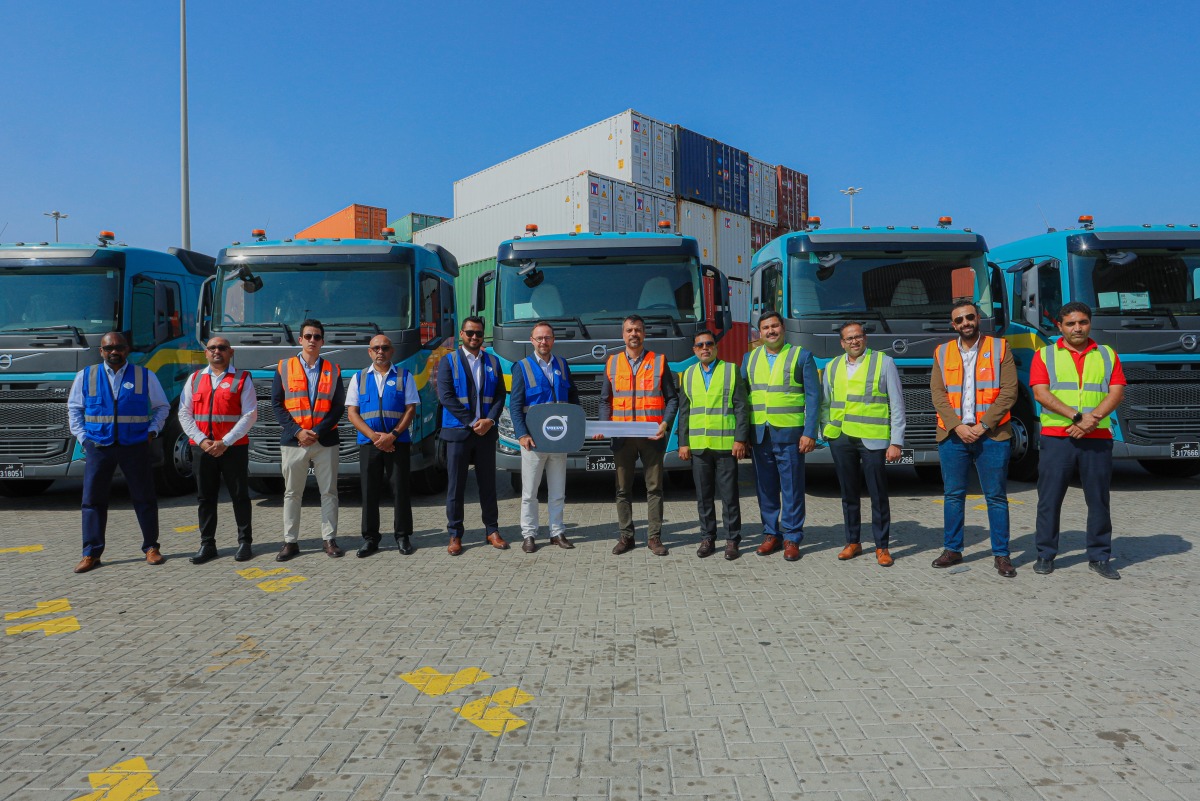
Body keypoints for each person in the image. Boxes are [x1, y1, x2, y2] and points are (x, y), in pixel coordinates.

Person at [1030, 302, 1126, 579]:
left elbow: (1116, 392)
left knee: (1098, 499)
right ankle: (1045, 555)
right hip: (1057, 438)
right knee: (1049, 499)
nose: (1077, 328)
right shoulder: (1045, 355)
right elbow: (1041, 393)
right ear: (1059, 326)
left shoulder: (1107, 354)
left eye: (1082, 322)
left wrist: (1091, 419)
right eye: (1070, 323)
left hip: (1097, 438)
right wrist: (1076, 418)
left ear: (1089, 323)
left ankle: (1099, 556)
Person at [929, 301, 1020, 577]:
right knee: (953, 495)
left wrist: (982, 426)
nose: (965, 323)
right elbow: (938, 394)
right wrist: (957, 427)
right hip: (952, 436)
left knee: (995, 497)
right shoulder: (942, 352)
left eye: (970, 317)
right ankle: (952, 549)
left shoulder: (999, 348)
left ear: (977, 318)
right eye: (959, 320)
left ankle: (1002, 555)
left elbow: (1009, 391)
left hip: (992, 435)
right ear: (953, 324)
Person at [67, 332, 170, 573]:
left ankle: (151, 548)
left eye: (120, 347)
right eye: (109, 347)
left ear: (128, 350)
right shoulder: (86, 375)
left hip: (134, 446)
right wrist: (84, 438)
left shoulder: (144, 375)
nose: (115, 351)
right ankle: (91, 553)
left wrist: (152, 431)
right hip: (99, 446)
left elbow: (162, 406)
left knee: (144, 497)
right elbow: (74, 409)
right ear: (101, 351)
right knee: (92, 500)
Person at [821, 321, 906, 566]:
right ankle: (853, 542)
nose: (854, 341)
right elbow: (825, 402)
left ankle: (882, 547)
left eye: (858, 337)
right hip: (841, 438)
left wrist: (896, 441)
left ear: (865, 339)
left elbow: (897, 405)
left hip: (873, 438)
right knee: (848, 494)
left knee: (878, 494)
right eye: (849, 338)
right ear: (842, 343)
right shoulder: (832, 366)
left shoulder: (884, 362)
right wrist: (826, 430)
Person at [742, 311, 821, 561]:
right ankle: (770, 534)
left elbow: (814, 398)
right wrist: (742, 436)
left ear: (783, 328)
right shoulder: (749, 358)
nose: (770, 331)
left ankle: (792, 536)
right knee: (765, 488)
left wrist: (810, 433)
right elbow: (741, 400)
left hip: (790, 434)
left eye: (774, 326)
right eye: (765, 328)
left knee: (792, 488)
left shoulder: (801, 356)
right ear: (760, 332)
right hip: (760, 434)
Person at [600, 314, 679, 556]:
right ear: (623, 335)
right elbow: (605, 400)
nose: (633, 334)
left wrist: (665, 424)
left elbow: (672, 399)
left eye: (638, 330)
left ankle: (654, 538)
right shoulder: (612, 362)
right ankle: (626, 537)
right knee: (622, 490)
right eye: (629, 330)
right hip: (622, 438)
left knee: (654, 489)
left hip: (651, 437)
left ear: (644, 334)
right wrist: (605, 426)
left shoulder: (659, 361)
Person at [271, 319, 346, 561]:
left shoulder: (333, 370)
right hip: (294, 441)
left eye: (317, 336)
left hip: (325, 441)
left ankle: (329, 539)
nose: (312, 340)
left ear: (322, 341)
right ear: (300, 339)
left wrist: (317, 432)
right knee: (292, 493)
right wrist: (298, 432)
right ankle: (290, 542)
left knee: (329, 492)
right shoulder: (284, 367)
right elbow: (277, 404)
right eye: (308, 336)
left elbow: (337, 407)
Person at [179, 336, 258, 564]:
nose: (217, 352)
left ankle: (244, 542)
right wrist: (202, 440)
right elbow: (184, 413)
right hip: (202, 448)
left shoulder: (242, 378)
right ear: (206, 353)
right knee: (206, 497)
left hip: (233, 448)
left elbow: (250, 415)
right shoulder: (194, 379)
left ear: (230, 352)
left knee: (239, 496)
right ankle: (207, 544)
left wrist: (226, 441)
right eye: (212, 348)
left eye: (222, 348)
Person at [509, 321, 581, 553]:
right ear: (532, 341)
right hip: (534, 442)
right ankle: (529, 534)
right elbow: (515, 405)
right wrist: (521, 434)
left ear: (553, 340)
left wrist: (575, 430)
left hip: (559, 440)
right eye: (539, 338)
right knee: (530, 493)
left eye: (547, 337)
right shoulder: (522, 367)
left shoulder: (562, 365)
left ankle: (556, 532)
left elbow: (573, 400)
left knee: (558, 491)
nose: (543, 342)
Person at [438, 316, 507, 555]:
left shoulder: (493, 362)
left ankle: (492, 530)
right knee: (456, 487)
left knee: (488, 485)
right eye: (470, 333)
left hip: (486, 434)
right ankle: (455, 535)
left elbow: (500, 395)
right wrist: (472, 421)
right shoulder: (449, 361)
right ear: (461, 334)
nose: (474, 337)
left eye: (478, 333)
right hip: (458, 433)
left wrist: (490, 420)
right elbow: (446, 396)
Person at [678, 330, 750, 560]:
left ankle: (732, 539)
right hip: (699, 446)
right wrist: (683, 443)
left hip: (726, 445)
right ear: (694, 350)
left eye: (709, 344)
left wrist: (740, 438)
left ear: (716, 347)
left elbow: (741, 406)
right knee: (704, 496)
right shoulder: (688, 374)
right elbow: (684, 412)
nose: (705, 348)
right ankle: (707, 537)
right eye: (700, 345)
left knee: (729, 495)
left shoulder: (730, 370)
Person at [346, 335, 419, 557]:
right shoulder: (359, 378)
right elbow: (352, 413)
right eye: (376, 348)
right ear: (370, 352)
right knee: (369, 491)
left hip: (398, 443)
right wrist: (375, 437)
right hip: (370, 444)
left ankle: (403, 536)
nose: (380, 352)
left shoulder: (404, 376)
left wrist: (393, 435)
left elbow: (410, 409)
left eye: (385, 348)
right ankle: (370, 539)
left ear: (392, 351)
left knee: (400, 490)